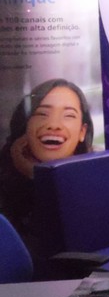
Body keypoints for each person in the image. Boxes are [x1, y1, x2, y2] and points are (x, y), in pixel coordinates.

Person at [0, 78, 94, 240]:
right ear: (25, 125)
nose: (54, 125)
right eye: (42, 114)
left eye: (68, 115)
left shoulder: (95, 180)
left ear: (82, 132)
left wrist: (37, 177)